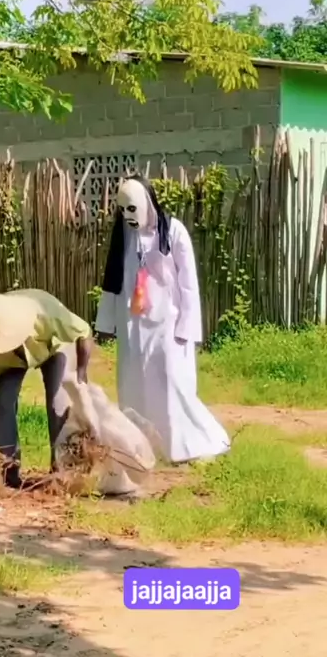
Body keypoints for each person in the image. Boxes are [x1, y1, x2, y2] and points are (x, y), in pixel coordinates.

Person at [94, 175, 230, 465]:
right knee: (134, 387)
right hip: (133, 327)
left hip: (169, 326)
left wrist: (187, 327)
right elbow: (113, 280)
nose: (127, 216)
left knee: (172, 385)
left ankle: (189, 446)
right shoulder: (123, 236)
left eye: (132, 208)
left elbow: (189, 283)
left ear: (147, 203)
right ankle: (141, 448)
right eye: (122, 210)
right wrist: (106, 323)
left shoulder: (174, 231)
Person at [0, 288, 93, 488]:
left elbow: (84, 332)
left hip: (55, 349)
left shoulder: (46, 312)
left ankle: (62, 469)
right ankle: (9, 469)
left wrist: (81, 372)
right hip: (11, 363)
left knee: (58, 402)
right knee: (2, 404)